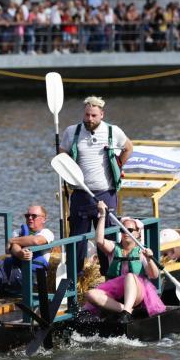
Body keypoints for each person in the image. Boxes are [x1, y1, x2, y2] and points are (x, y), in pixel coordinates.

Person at [59, 95, 133, 272]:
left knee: (107, 239)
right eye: (86, 115)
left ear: (101, 115)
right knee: (77, 240)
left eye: (93, 116)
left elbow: (128, 147)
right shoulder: (72, 131)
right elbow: (62, 153)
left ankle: (109, 276)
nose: (89, 119)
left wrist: (119, 164)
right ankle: (74, 280)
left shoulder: (113, 131)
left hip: (106, 193)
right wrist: (67, 167)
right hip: (80, 194)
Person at [84, 201, 164, 324]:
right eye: (123, 229)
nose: (126, 232)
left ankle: (126, 311)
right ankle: (126, 310)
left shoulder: (142, 252)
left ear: (137, 233)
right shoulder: (114, 248)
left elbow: (154, 275)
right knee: (90, 294)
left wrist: (149, 259)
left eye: (130, 230)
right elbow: (99, 241)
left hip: (137, 293)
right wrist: (102, 215)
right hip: (116, 295)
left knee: (130, 276)